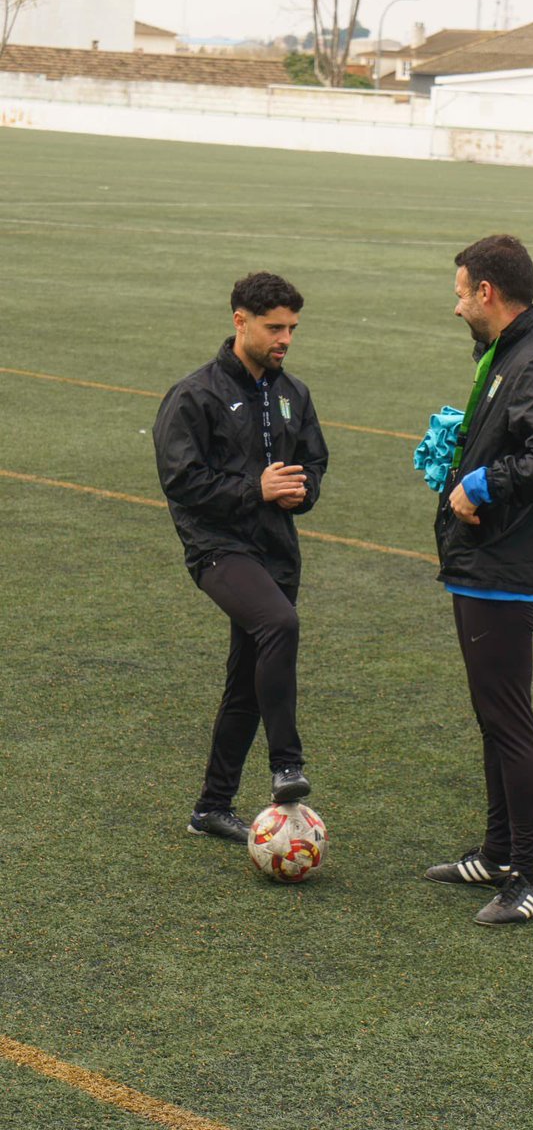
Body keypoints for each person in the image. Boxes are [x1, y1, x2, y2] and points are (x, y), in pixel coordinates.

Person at [424, 235, 533, 925]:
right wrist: (464, 445)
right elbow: (519, 437)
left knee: (509, 721)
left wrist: (483, 480)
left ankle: (528, 875)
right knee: (493, 716)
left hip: (504, 569)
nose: (456, 305)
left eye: (461, 292)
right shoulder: (509, 354)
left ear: (487, 292)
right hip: (485, 560)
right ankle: (494, 853)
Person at [153, 271, 328, 843]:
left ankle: (211, 807)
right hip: (218, 548)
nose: (285, 339)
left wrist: (303, 490)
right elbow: (183, 482)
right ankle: (287, 766)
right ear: (239, 322)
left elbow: (314, 462)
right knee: (278, 623)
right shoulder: (194, 395)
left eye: (292, 328)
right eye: (274, 328)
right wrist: (258, 488)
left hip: (277, 551)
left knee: (247, 681)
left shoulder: (292, 393)